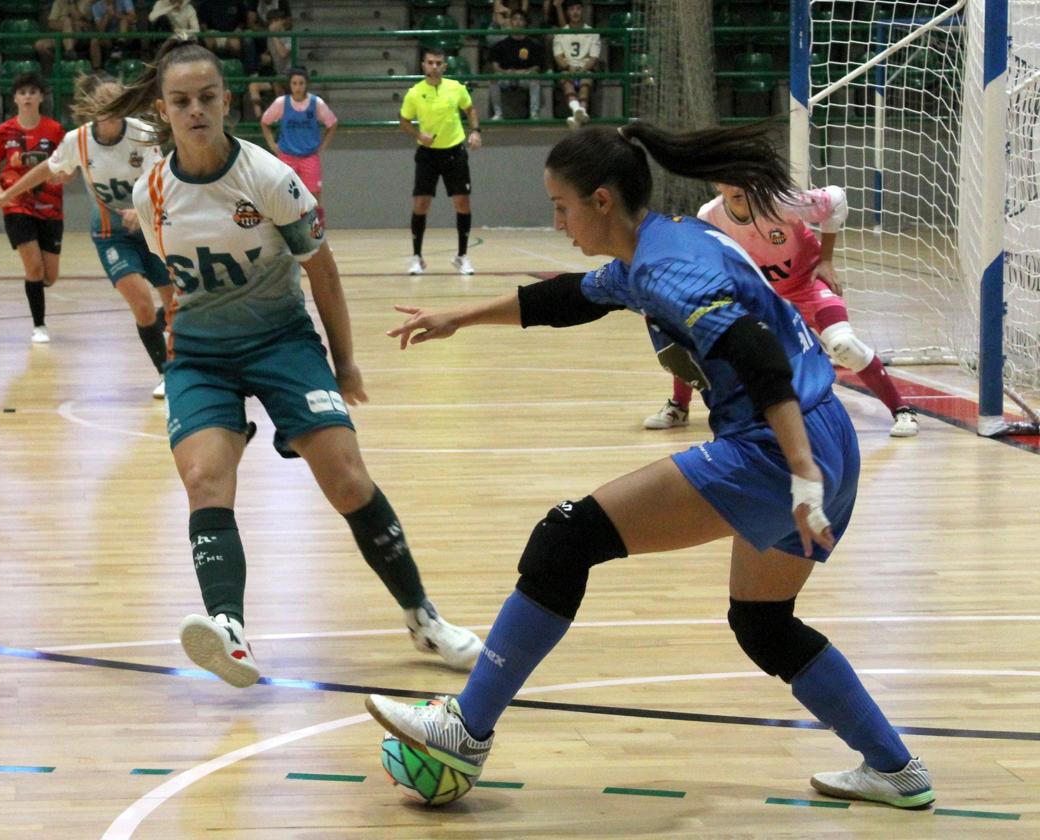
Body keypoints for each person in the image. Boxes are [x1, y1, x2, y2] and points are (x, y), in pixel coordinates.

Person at [366, 122, 935, 810]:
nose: (558, 221)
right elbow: (571, 297)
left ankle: (464, 728)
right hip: (826, 432)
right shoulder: (665, 244)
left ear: (601, 200)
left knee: (565, 539)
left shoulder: (668, 268)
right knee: (763, 622)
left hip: (776, 448)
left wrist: (798, 472)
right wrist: (462, 316)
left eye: (561, 206)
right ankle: (894, 768)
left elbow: (755, 352)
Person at [92, 35, 483, 687]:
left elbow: (323, 272)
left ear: (227, 102)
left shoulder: (269, 179)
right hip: (202, 357)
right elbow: (170, 274)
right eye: (182, 101)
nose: (196, 111)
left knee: (348, 480)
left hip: (282, 342)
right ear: (163, 110)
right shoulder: (150, 192)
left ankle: (422, 616)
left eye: (207, 98)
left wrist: (346, 361)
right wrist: (170, 333)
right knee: (204, 480)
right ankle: (231, 632)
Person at [645, 183, 919, 437]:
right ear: (717, 184)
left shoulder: (782, 201)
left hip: (806, 285)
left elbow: (836, 198)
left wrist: (826, 259)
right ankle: (679, 406)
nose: (736, 185)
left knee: (844, 344)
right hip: (758, 297)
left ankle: (902, 410)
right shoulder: (710, 215)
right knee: (693, 329)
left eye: (742, 177)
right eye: (727, 178)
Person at [0, 74, 174, 397]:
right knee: (140, 303)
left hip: (152, 226)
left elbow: (162, 178)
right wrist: (5, 195)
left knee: (173, 305)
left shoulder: (143, 134)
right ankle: (166, 374)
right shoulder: (78, 140)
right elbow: (45, 170)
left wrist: (141, 211)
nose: (110, 109)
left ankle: (177, 351)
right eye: (104, 103)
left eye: (116, 103)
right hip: (111, 232)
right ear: (92, 107)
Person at [0, 72, 66, 344]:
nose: (28, 96)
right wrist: (0, 194)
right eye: (23, 92)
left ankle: (35, 289)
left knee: (49, 276)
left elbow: (70, 167)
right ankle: (39, 326)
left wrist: (62, 176)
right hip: (17, 207)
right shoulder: (4, 131)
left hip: (51, 208)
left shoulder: (55, 130)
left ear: (42, 97)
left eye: (33, 91)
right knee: (33, 268)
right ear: (15, 98)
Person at [399, 47, 483, 276]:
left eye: (438, 63)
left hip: (455, 151)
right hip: (427, 155)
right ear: (423, 65)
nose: (434, 66)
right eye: (430, 62)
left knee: (462, 203)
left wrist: (475, 131)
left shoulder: (456, 88)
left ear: (445, 66)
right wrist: (418, 135)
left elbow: (470, 109)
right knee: (421, 204)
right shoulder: (415, 93)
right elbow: (404, 120)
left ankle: (462, 256)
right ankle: (417, 257)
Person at [260, 67, 338, 226]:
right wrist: (272, 144)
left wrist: (323, 146)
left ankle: (317, 231)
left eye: (301, 83)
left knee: (314, 195)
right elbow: (265, 122)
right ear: (290, 85)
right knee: (284, 195)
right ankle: (285, 230)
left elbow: (332, 123)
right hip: (287, 156)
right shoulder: (281, 103)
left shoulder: (316, 104)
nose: (298, 87)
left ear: (306, 84)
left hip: (309, 156)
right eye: (294, 83)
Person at [551, 0, 600, 129]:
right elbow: (558, 57)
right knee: (568, 83)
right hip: (568, 68)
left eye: (578, 9)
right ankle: (579, 112)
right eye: (572, 9)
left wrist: (583, 69)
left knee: (585, 86)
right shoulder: (561, 33)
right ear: (567, 12)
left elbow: (593, 57)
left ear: (582, 11)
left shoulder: (592, 32)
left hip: (585, 69)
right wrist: (568, 67)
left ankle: (577, 116)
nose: (575, 12)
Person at [488, 9, 543, 121]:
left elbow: (537, 66)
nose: (518, 22)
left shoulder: (533, 44)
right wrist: (505, 72)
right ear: (510, 22)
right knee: (494, 78)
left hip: (525, 76)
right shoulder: (501, 44)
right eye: (515, 19)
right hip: (506, 76)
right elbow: (495, 66)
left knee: (535, 78)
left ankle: (534, 114)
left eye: (521, 19)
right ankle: (498, 114)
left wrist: (525, 72)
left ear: (525, 23)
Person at [245, 7, 293, 120]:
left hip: (291, 75)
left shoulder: (290, 36)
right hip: (277, 75)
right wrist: (265, 57)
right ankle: (260, 118)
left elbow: (282, 53)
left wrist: (274, 35)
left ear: (282, 21)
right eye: (270, 22)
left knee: (277, 81)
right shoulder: (270, 38)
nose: (273, 24)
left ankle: (282, 119)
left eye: (275, 21)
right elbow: (269, 55)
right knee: (253, 85)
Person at [36, 0, 94, 66]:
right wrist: (66, 26)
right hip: (61, 36)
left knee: (68, 21)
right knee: (39, 45)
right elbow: (51, 23)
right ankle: (60, 60)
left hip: (80, 35)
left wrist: (71, 2)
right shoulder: (59, 2)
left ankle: (70, 52)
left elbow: (78, 17)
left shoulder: (86, 1)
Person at [90, 0, 136, 69]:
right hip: (108, 36)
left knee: (124, 21)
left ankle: (119, 47)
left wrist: (116, 14)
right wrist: (107, 16)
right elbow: (100, 30)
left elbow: (133, 19)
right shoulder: (96, 6)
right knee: (94, 41)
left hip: (126, 34)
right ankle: (97, 69)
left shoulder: (125, 1)